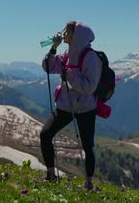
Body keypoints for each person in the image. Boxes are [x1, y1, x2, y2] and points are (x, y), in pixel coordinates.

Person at [40, 21, 102, 190]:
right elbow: (48, 67)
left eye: (67, 32)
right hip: (66, 106)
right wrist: (54, 48)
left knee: (87, 144)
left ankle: (88, 183)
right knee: (45, 134)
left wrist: (70, 77)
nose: (63, 34)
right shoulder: (67, 54)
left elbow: (90, 86)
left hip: (85, 108)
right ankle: (51, 174)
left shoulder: (90, 57)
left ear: (76, 36)